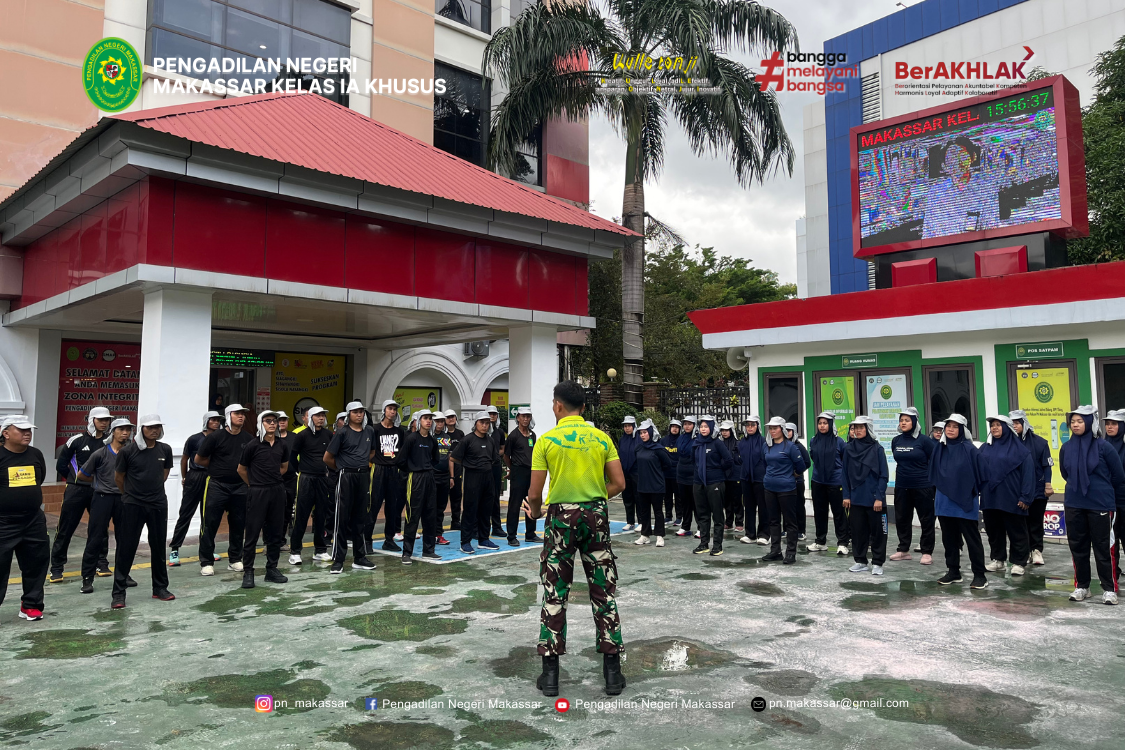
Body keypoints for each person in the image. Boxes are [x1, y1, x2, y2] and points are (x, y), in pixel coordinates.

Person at [522, 380, 626, 698]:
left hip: (560, 520)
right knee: (603, 593)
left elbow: (534, 494)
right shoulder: (601, 438)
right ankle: (612, 674)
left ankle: (550, 676)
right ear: (583, 407)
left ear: (557, 405)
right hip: (596, 518)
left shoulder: (547, 441)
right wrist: (593, 498)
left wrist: (536, 511)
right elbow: (619, 483)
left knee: (555, 592)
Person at [1058, 406, 1124, 604]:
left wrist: (1100, 488)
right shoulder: (1066, 448)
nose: (1075, 425)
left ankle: (1109, 588)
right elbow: (1065, 473)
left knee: (1104, 548)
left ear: (1089, 423)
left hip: (1100, 504)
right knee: (1078, 546)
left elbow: (1118, 475)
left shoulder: (1104, 447)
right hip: (1074, 502)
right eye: (1073, 422)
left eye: (1080, 421)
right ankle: (1082, 586)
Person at [111, 414, 175, 608]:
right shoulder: (128, 451)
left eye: (157, 427)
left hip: (158, 504)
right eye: (150, 427)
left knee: (158, 547)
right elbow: (119, 478)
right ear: (142, 429)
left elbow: (163, 474)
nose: (154, 430)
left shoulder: (165, 449)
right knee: (126, 547)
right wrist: (130, 495)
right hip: (133, 504)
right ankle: (118, 593)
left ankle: (160, 588)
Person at [49, 406, 113, 582]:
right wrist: (75, 479)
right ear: (91, 420)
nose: (104, 423)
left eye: (107, 420)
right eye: (101, 420)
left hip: (99, 491)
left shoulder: (109, 441)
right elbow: (61, 465)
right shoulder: (76, 440)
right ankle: (57, 567)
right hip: (76, 490)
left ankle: (101, 562)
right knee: (65, 528)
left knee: (101, 528)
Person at [195, 404, 254, 576]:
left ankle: (235, 559)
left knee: (238, 523)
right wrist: (217, 466)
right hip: (217, 485)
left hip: (240, 486)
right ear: (228, 416)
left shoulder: (249, 438)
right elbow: (199, 459)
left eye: (243, 414)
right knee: (210, 523)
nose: (241, 416)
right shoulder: (215, 437)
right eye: (237, 413)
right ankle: (206, 562)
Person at [76, 418, 134, 594]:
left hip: (123, 499)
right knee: (95, 538)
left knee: (125, 538)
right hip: (102, 498)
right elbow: (81, 475)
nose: (125, 433)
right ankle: (87, 577)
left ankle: (124, 574)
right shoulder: (100, 454)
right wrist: (99, 481)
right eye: (121, 429)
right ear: (113, 432)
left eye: (128, 430)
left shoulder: (131, 453)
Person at [0, 415, 49, 621]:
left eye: (29, 430)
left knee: (36, 563)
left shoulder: (35, 454)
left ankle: (31, 604)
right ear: (6, 433)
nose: (27, 433)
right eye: (21, 430)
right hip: (3, 522)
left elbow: (40, 479)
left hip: (33, 521)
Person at [930, 414, 988, 589]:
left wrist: (970, 492)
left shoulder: (970, 450)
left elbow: (982, 474)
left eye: (955, 427)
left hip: (965, 502)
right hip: (944, 501)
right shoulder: (940, 448)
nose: (950, 429)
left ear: (962, 429)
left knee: (972, 540)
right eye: (948, 426)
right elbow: (933, 473)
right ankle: (953, 572)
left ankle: (980, 575)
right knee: (949, 539)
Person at [236, 411, 289, 588]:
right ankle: (248, 572)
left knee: (275, 532)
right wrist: (254, 483)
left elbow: (284, 467)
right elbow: (241, 469)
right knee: (252, 532)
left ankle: (271, 569)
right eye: (268, 421)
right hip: (258, 491)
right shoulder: (252, 445)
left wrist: (272, 479)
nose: (272, 423)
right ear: (261, 423)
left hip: (277, 490)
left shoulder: (282, 444)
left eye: (275, 421)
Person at [324, 401, 378, 574]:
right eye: (355, 412)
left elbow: (372, 452)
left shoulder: (369, 431)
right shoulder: (342, 432)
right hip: (345, 475)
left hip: (363, 475)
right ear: (349, 415)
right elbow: (327, 458)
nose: (359, 414)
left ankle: (359, 557)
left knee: (360, 517)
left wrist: (361, 463)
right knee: (342, 518)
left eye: (361, 411)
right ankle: (338, 560)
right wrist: (342, 467)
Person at [979, 415, 1035, 576]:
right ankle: (998, 560)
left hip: (1012, 497)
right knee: (993, 531)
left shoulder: (1021, 450)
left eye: (998, 425)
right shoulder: (985, 448)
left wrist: (1026, 496)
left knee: (1017, 531)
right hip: (990, 496)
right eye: (992, 425)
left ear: (1007, 428)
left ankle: (1019, 562)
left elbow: (1028, 475)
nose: (994, 428)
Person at [169, 411, 223, 566]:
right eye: (213, 420)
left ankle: (207, 550)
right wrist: (185, 477)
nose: (216, 422)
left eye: (218, 420)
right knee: (186, 513)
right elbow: (184, 459)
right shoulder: (194, 439)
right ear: (206, 421)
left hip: (211, 476)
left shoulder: (220, 439)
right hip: (195, 476)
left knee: (209, 516)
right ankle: (174, 549)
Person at [842, 416, 890, 575]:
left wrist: (879, 497)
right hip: (856, 499)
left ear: (868, 429)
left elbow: (883, 475)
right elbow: (844, 474)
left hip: (875, 499)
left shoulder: (877, 449)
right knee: (857, 532)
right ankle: (860, 561)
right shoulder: (849, 449)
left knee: (879, 533)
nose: (858, 430)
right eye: (855, 428)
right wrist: (846, 495)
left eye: (861, 427)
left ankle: (878, 563)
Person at [889, 406, 936, 565]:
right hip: (902, 485)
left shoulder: (924, 441)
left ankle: (927, 552)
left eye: (907, 420)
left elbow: (935, 460)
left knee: (926, 519)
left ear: (914, 422)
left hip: (923, 486)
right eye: (901, 420)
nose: (903, 423)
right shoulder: (896, 440)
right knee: (902, 518)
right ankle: (903, 550)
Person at [288, 406, 334, 564]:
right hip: (306, 478)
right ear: (311, 417)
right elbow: (292, 457)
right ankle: (295, 552)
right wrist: (300, 471)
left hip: (323, 478)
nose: (321, 418)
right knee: (301, 515)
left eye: (323, 415)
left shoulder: (328, 434)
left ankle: (320, 550)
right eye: (318, 415)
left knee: (321, 515)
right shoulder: (301, 435)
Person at [450, 411, 500, 554]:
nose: (484, 425)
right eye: (482, 422)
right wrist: (469, 463)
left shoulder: (490, 440)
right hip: (472, 477)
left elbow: (494, 458)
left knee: (486, 509)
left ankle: (484, 540)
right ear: (476, 424)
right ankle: (465, 542)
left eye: (487, 423)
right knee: (470, 509)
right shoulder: (468, 439)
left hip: (488, 476)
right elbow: (453, 457)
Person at [1010, 410, 1054, 567]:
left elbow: (1047, 465)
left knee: (1035, 521)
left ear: (1024, 423)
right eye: (1012, 423)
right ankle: (1025, 551)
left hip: (1037, 489)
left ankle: (1036, 550)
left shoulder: (1040, 442)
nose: (1014, 426)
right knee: (1020, 523)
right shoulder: (1009, 443)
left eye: (1017, 423)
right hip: (1016, 490)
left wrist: (1048, 484)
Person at [762, 417, 808, 564]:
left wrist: (791, 475)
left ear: (782, 429)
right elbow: (765, 463)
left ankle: (791, 552)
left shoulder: (791, 447)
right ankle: (775, 551)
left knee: (790, 522)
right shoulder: (766, 446)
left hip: (787, 489)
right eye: (770, 428)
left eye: (775, 428)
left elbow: (801, 466)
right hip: (769, 488)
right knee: (773, 520)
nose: (772, 431)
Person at [399, 410, 442, 564]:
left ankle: (428, 550)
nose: (428, 421)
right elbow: (401, 460)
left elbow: (436, 459)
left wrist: (426, 468)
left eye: (430, 418)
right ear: (418, 421)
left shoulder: (432, 440)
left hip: (429, 477)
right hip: (415, 478)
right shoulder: (411, 438)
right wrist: (413, 469)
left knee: (430, 515)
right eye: (425, 418)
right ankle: (407, 553)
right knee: (412, 515)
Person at [691, 415, 733, 556]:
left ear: (711, 428)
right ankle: (704, 544)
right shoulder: (696, 443)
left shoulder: (717, 443)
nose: (703, 429)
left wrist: (717, 469)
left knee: (717, 515)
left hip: (715, 482)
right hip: (698, 482)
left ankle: (717, 545)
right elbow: (693, 460)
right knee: (702, 515)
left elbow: (728, 460)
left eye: (706, 426)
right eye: (701, 426)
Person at [809, 411, 848, 554]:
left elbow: (845, 460)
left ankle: (843, 543)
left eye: (825, 423)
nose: (822, 426)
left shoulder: (839, 442)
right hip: (818, 481)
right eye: (820, 423)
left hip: (836, 482)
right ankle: (820, 541)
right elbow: (813, 456)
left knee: (838, 513)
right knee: (819, 512)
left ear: (831, 424)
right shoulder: (813, 440)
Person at [369, 399, 405, 553]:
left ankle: (389, 540)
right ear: (384, 410)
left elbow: (402, 450)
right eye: (390, 408)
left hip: (394, 470)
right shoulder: (375, 429)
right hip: (378, 469)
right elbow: (370, 450)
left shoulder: (399, 431)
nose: (393, 411)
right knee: (374, 505)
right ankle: (367, 540)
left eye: (395, 409)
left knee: (392, 506)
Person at [634, 419, 673, 546]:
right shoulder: (639, 448)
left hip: (656, 485)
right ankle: (645, 535)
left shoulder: (659, 449)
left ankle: (660, 536)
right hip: (642, 485)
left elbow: (668, 464)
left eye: (645, 432)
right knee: (644, 511)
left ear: (651, 433)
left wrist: (657, 473)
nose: (643, 435)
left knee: (658, 511)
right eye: (641, 433)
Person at [504, 406, 539, 546]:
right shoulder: (513, 436)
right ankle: (511, 536)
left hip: (531, 472)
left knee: (531, 501)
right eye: (523, 416)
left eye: (528, 416)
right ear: (518, 418)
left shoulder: (532, 435)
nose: (525, 419)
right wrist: (513, 468)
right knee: (515, 504)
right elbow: (506, 456)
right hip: (518, 471)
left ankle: (530, 534)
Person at [738, 416, 769, 547]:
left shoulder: (763, 441)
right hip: (746, 478)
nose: (750, 427)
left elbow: (767, 459)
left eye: (752, 425)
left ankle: (764, 534)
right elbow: (738, 457)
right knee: (749, 506)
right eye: (747, 425)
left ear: (758, 426)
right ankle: (750, 534)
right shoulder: (742, 442)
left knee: (763, 507)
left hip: (760, 479)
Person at [1103, 409, 1125, 577]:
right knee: (1111, 538)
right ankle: (1113, 572)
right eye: (1107, 424)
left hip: (1123, 499)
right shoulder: (1103, 445)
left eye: (1114, 424)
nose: (1109, 427)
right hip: (1108, 500)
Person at [785, 423, 810, 540]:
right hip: (785, 481)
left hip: (797, 482)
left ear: (794, 432)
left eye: (789, 430)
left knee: (799, 506)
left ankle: (801, 530)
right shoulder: (782, 445)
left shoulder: (799, 446)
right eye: (785, 430)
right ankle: (786, 529)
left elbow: (807, 462)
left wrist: (797, 473)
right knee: (786, 506)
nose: (787, 432)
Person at [276, 412, 298, 543]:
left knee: (288, 509)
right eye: (279, 420)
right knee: (272, 510)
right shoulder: (270, 437)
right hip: (273, 479)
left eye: (284, 420)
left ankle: (281, 540)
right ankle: (269, 541)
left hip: (290, 478)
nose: (282, 422)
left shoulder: (294, 437)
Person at [431, 411, 452, 545]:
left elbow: (450, 458)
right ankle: (430, 533)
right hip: (432, 476)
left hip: (445, 476)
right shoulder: (429, 437)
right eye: (437, 421)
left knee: (441, 507)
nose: (440, 423)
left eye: (441, 421)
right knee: (430, 506)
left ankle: (438, 534)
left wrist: (452, 476)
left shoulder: (446, 437)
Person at [674, 416, 697, 537]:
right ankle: (685, 526)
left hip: (693, 474)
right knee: (685, 502)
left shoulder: (697, 438)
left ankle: (700, 527)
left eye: (690, 424)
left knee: (696, 502)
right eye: (685, 424)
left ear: (694, 425)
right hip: (681, 473)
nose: (687, 426)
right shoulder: (681, 438)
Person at [719, 421, 743, 531]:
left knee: (737, 500)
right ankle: (728, 522)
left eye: (726, 430)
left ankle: (739, 522)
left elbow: (741, 459)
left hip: (736, 475)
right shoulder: (720, 443)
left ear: (731, 431)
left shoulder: (738, 443)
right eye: (722, 430)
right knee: (727, 500)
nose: (724, 432)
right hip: (724, 475)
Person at [488, 405, 507, 537]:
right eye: (490, 413)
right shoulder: (482, 431)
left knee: (495, 497)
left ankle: (496, 527)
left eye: (494, 414)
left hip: (495, 467)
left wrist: (495, 455)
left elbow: (502, 449)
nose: (492, 416)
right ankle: (477, 528)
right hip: (483, 468)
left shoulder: (499, 432)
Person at [444, 409, 465, 531]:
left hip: (457, 468)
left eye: (453, 416)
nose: (451, 419)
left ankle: (456, 521)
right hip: (443, 469)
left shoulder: (460, 434)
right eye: (448, 417)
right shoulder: (442, 434)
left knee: (456, 496)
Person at [618, 416, 640, 531]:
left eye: (629, 426)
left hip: (636, 472)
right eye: (625, 426)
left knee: (639, 497)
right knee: (627, 498)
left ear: (634, 426)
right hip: (625, 473)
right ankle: (630, 522)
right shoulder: (622, 440)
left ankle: (641, 522)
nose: (627, 428)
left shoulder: (639, 439)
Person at [658, 420, 681, 524]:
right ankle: (668, 516)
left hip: (677, 473)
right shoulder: (663, 441)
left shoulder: (681, 440)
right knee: (667, 496)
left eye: (677, 427)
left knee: (678, 496)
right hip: (666, 473)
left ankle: (679, 517)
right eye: (673, 426)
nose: (674, 429)